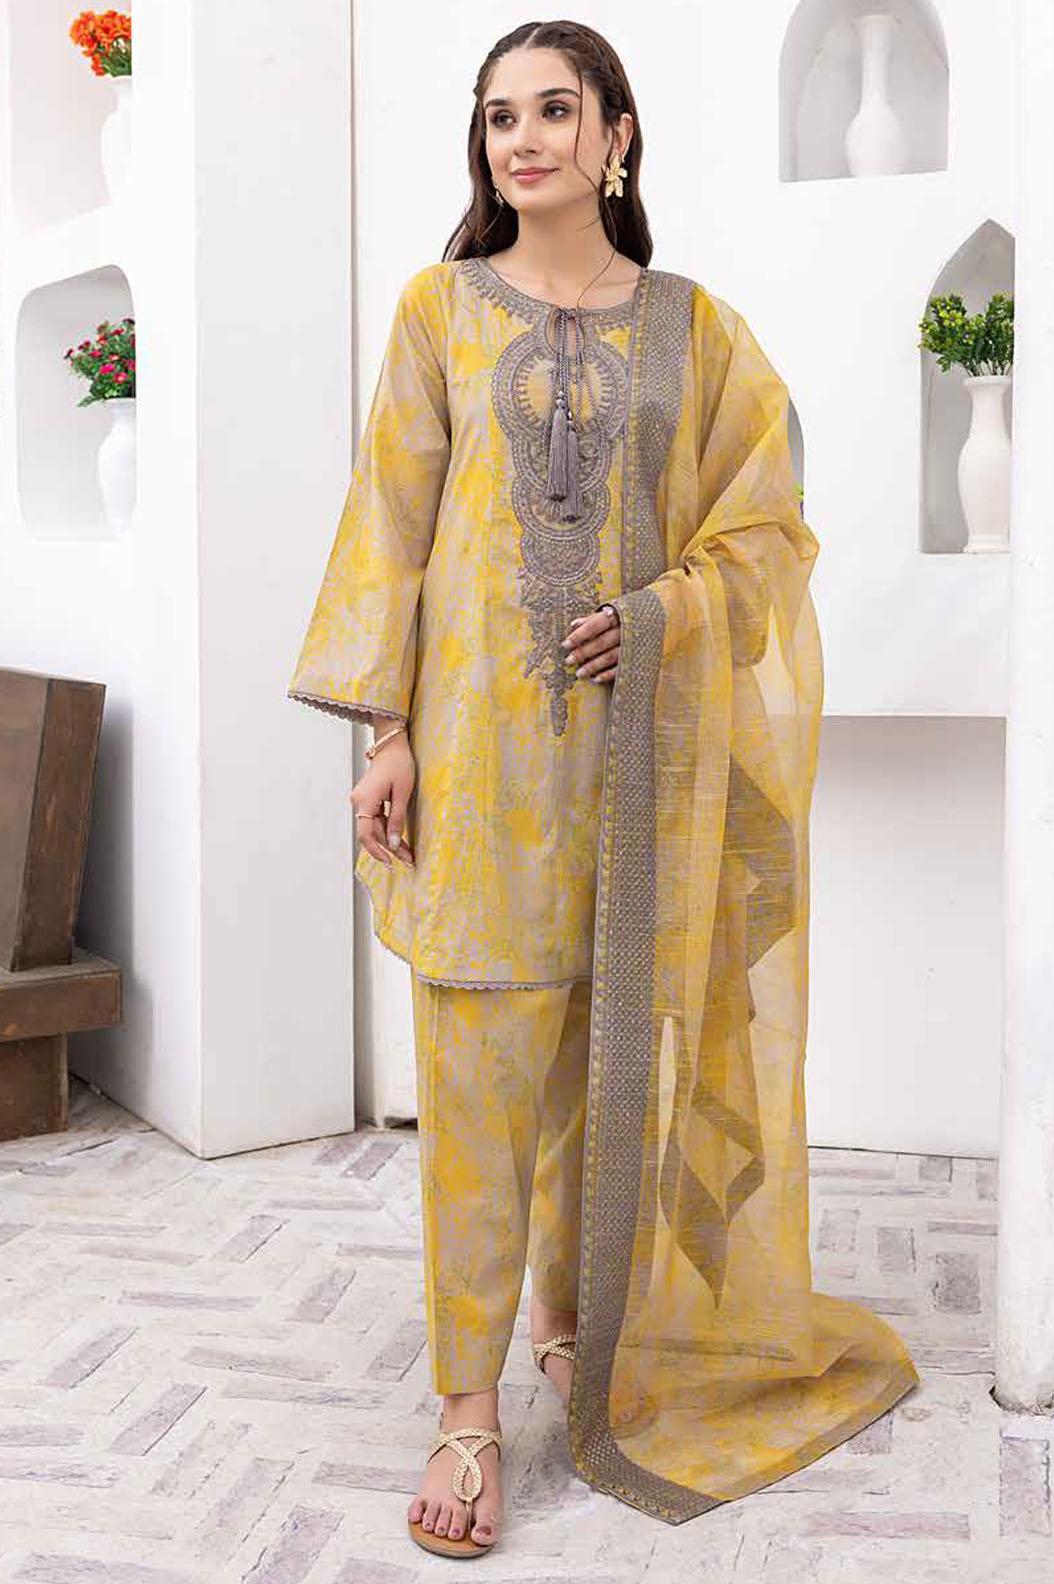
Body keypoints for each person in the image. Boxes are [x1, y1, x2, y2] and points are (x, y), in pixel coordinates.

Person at [288, 18, 920, 1561]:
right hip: (478, 763)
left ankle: (574, 1331)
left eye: (554, 110)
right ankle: (464, 1409)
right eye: (499, 116)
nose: (523, 140)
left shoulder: (695, 331)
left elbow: (764, 532)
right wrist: (385, 731)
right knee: (478, 1092)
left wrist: (665, 612)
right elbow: (389, 519)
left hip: (637, 775)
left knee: (602, 1074)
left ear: (616, 135)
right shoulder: (440, 310)